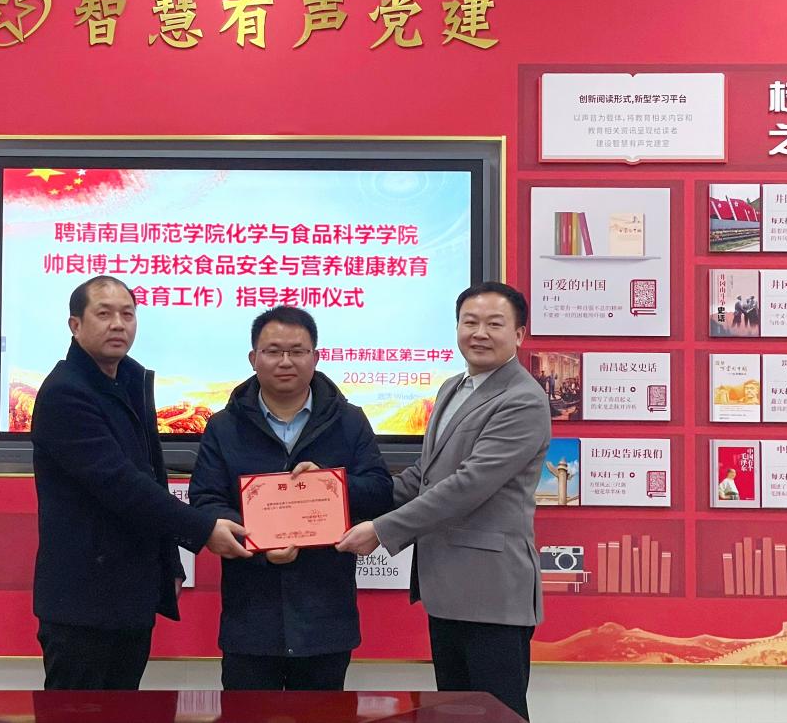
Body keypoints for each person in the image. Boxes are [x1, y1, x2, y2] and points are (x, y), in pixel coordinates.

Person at [337, 281, 550, 721]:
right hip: (447, 587)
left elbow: (467, 486)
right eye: (470, 322)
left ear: (519, 334)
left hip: (492, 591)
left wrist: (381, 530)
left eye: (494, 324)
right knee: (455, 712)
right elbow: (424, 475)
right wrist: (337, 498)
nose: (480, 333)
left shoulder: (523, 399)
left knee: (498, 714)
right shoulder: (453, 387)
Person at [31, 275, 252, 689]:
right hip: (83, 599)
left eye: (127, 314)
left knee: (124, 709)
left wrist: (169, 563)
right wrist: (204, 528)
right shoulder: (65, 393)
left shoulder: (129, 381)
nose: (118, 324)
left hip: (130, 592)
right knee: (76, 713)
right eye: (104, 313)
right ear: (75, 325)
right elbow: (122, 485)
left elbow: (153, 477)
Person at [189, 306, 394, 690]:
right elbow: (206, 500)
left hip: (325, 618)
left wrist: (330, 486)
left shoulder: (349, 421)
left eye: (298, 351)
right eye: (273, 351)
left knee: (323, 715)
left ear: (316, 357)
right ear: (253, 358)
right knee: (246, 715)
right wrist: (260, 542)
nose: (286, 361)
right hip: (250, 619)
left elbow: (380, 492)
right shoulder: (223, 426)